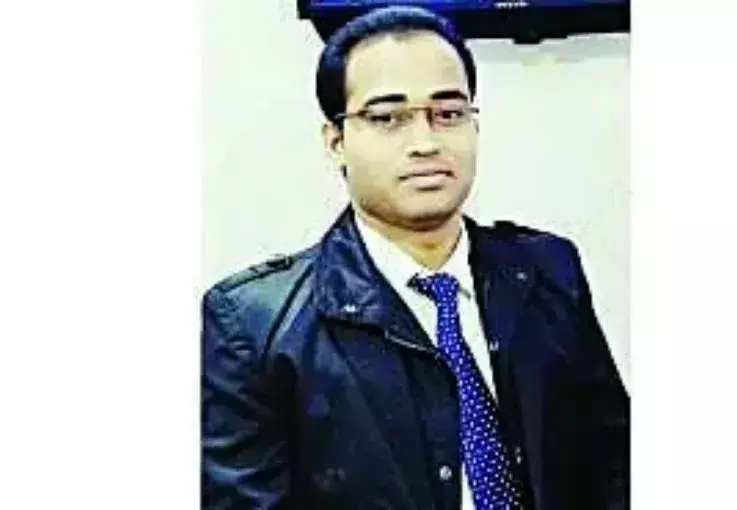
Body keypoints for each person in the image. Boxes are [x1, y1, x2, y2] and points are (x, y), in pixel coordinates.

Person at [202, 5, 629, 509]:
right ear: (336, 142)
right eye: (387, 118)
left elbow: (615, 468)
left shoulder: (548, 271)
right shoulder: (254, 325)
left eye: (448, 114)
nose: (425, 143)